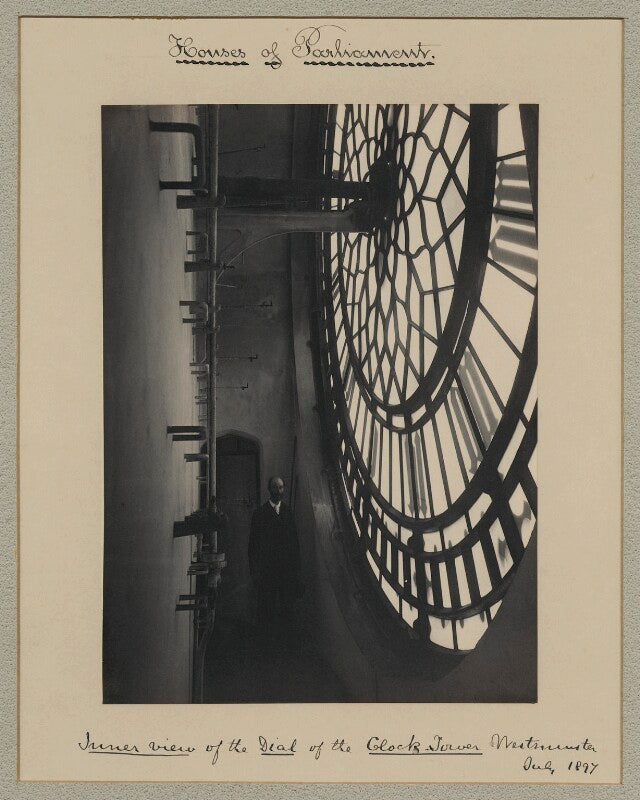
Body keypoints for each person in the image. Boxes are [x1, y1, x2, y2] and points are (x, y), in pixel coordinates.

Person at [248, 476, 302, 627]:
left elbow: (294, 543)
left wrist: (296, 570)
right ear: (269, 490)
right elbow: (253, 546)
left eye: (281, 487)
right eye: (275, 487)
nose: (278, 491)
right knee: (266, 610)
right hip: (267, 572)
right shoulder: (259, 514)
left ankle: (284, 645)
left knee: (287, 610)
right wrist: (255, 572)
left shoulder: (288, 513)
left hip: (286, 572)